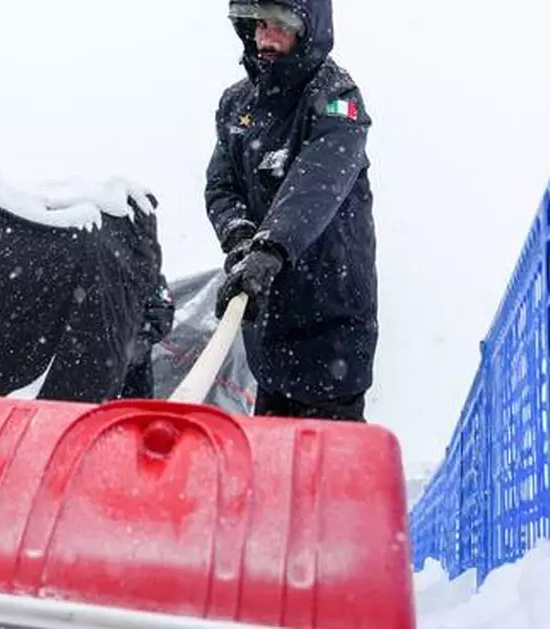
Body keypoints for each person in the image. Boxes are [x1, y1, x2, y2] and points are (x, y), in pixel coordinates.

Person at [205, 0, 378, 422]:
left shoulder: (337, 99)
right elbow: (221, 184)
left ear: (308, 30)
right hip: (269, 331)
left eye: (280, 25)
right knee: (270, 467)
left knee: (327, 472)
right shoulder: (236, 104)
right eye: (259, 24)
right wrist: (240, 237)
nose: (266, 37)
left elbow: (317, 183)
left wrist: (271, 247)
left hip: (331, 328)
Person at [119, 275, 175, 399]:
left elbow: (162, 312)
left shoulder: (141, 265)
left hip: (132, 384)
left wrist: (135, 345)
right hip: (80, 378)